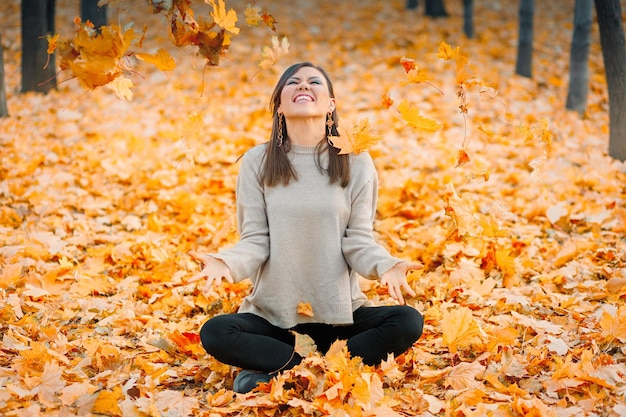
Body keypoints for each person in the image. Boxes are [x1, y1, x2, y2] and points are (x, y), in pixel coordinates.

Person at [190, 62, 424, 394]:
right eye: (293, 83)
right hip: (274, 321)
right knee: (216, 332)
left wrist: (386, 265)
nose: (304, 86)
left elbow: (357, 240)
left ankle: (278, 372)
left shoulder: (356, 161)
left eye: (315, 82)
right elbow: (256, 240)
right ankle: (321, 371)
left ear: (330, 104)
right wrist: (225, 262)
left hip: (341, 319)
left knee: (408, 321)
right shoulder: (258, 161)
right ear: (280, 104)